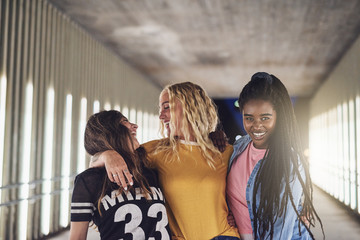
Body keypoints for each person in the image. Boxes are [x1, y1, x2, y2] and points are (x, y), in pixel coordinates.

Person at [92, 82, 240, 240]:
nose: (161, 116)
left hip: (225, 235)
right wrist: (107, 155)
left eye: (167, 107)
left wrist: (236, 214)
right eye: (161, 109)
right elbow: (94, 169)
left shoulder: (225, 151)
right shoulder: (155, 151)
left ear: (190, 106)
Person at [226, 72, 323, 240]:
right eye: (249, 118)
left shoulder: (288, 162)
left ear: (278, 117)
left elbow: (280, 231)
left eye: (265, 118)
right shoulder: (238, 148)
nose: (256, 126)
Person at [70, 110, 171, 240]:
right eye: (124, 122)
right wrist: (106, 155)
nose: (135, 126)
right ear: (110, 132)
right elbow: (77, 237)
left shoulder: (149, 172)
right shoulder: (89, 180)